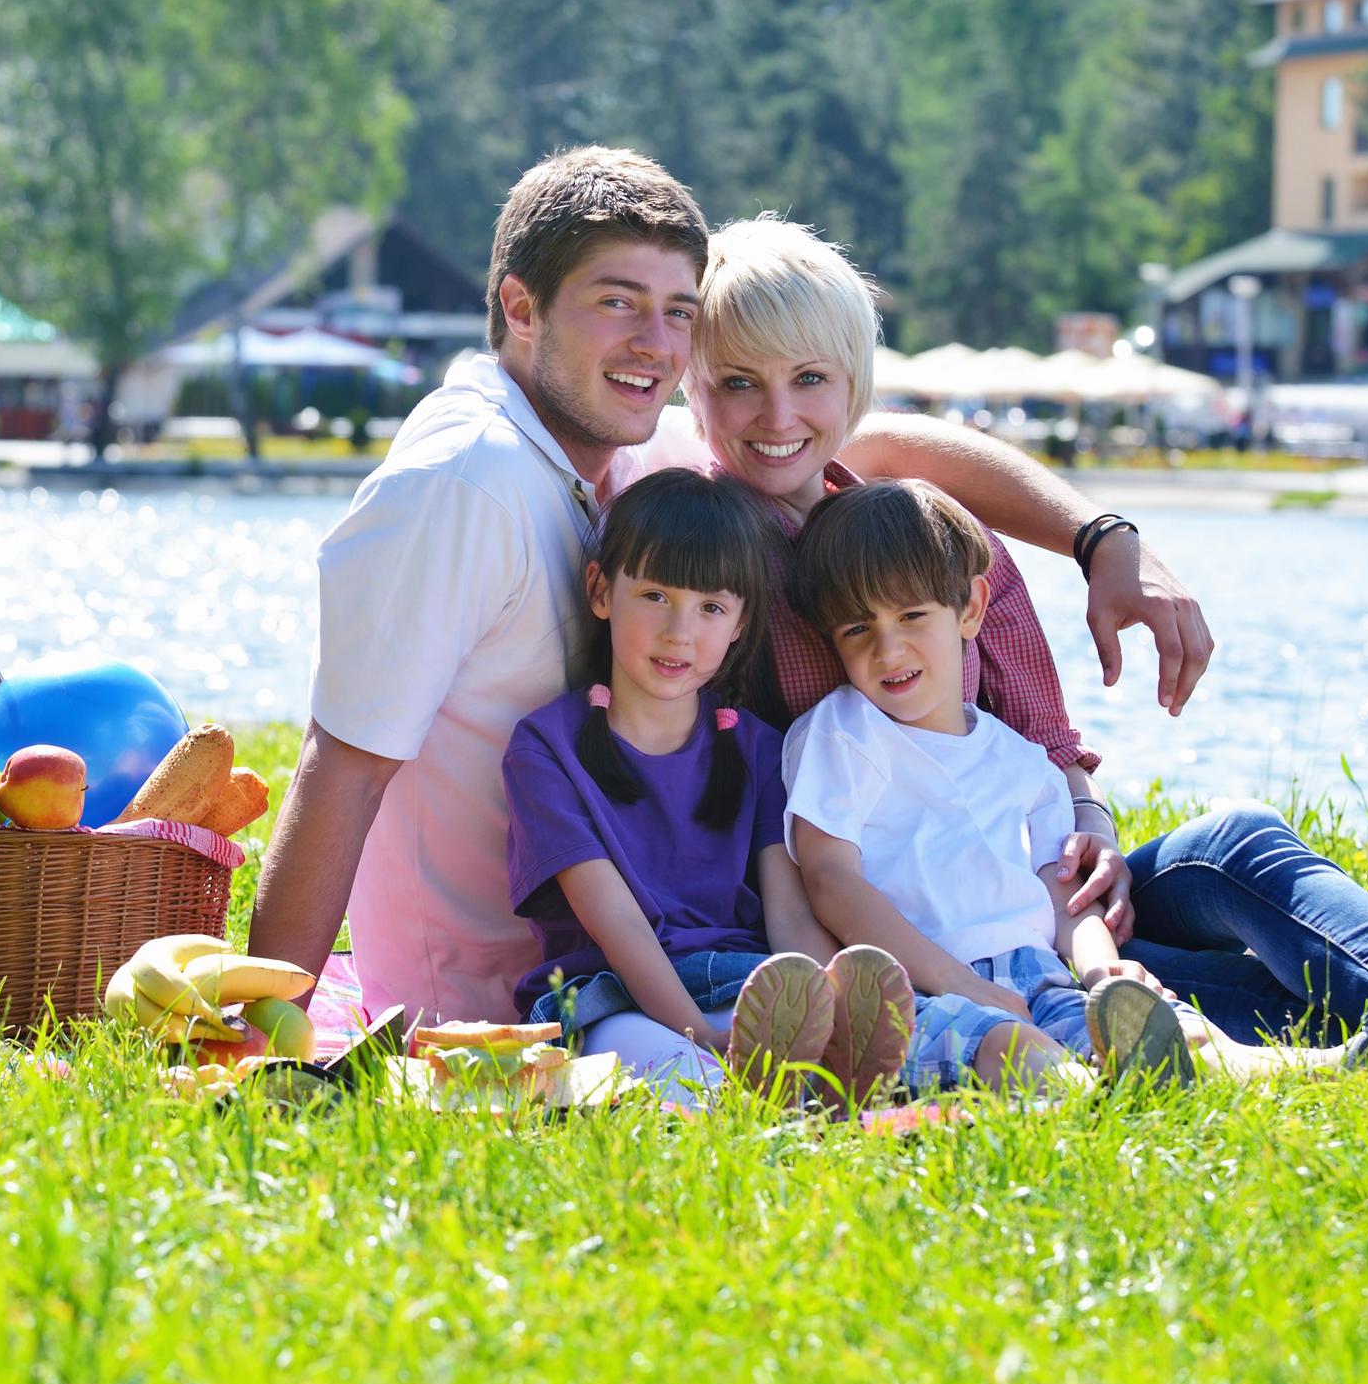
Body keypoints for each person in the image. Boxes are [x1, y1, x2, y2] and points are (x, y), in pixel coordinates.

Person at [666, 215, 1368, 1061]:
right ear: (692, 391)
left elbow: (1043, 743)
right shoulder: (697, 553)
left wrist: (1087, 830)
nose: (776, 415)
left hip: (1034, 886)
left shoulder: (924, 529)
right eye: (739, 385)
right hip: (933, 935)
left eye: (810, 381)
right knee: (1219, 992)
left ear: (852, 388)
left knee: (1232, 847)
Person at [247, 149, 1216, 1022]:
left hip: (692, 942)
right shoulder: (462, 483)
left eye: (677, 313)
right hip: (509, 995)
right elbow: (342, 762)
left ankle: (1242, 1018)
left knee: (1217, 871)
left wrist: (1100, 538)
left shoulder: (618, 447)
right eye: (617, 301)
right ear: (520, 306)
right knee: (1140, 943)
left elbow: (873, 442)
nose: (655, 344)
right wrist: (268, 1036)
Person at [782, 477, 1368, 1088]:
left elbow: (1061, 890)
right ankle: (1095, 1094)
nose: (888, 648)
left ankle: (1351, 1060)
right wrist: (965, 986)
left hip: (1041, 971)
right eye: (856, 631)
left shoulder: (1020, 762)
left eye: (912, 616)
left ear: (970, 608)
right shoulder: (843, 733)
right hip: (923, 980)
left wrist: (1103, 968)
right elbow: (831, 882)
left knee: (1167, 1029)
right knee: (1012, 1048)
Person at [501, 468, 903, 1103]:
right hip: (613, 997)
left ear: (740, 623)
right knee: (681, 1074)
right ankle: (765, 1092)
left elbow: (789, 909)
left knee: (792, 1044)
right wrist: (700, 1037)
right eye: (656, 595)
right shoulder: (546, 748)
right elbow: (618, 926)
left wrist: (822, 991)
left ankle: (818, 1075)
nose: (679, 632)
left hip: (742, 987)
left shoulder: (758, 747)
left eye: (711, 607)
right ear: (602, 591)